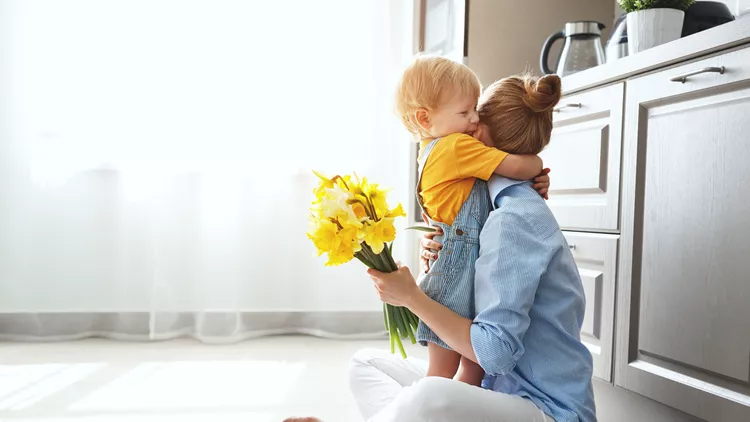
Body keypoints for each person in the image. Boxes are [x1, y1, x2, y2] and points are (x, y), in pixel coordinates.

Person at [351, 74, 596, 422]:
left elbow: (493, 354)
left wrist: (411, 297)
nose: (467, 122)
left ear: (477, 135)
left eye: (473, 113)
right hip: (494, 391)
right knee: (365, 364)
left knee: (428, 395)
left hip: (542, 407)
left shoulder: (514, 219)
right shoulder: (485, 204)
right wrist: (440, 246)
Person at [394, 55, 549, 386]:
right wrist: (537, 162)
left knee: (469, 367)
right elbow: (521, 167)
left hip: (459, 262)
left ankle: (454, 411)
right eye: (465, 113)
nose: (475, 119)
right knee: (445, 369)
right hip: (455, 269)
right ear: (425, 117)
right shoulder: (455, 147)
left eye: (475, 109)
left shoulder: (432, 149)